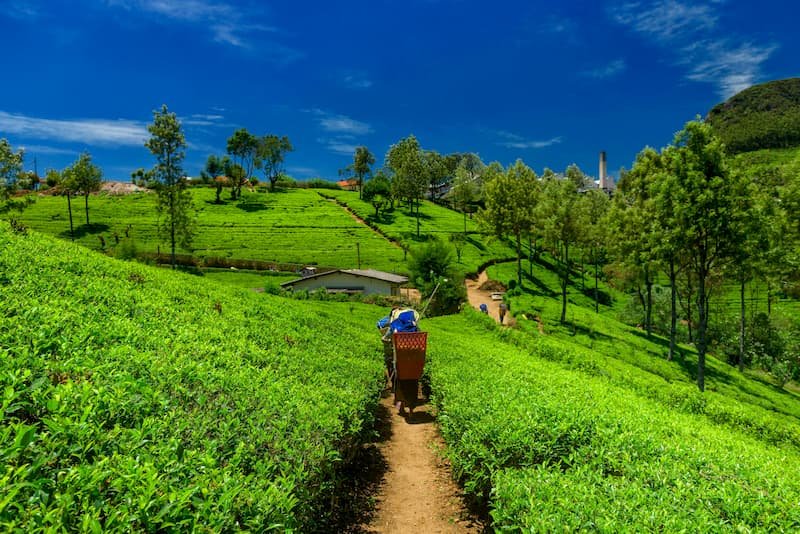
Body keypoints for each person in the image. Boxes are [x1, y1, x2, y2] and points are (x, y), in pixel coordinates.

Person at [376, 307, 421, 416]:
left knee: (399, 379)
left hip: (400, 358)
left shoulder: (395, 325)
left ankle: (400, 405)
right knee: (413, 381)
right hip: (413, 359)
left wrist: (386, 339)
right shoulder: (414, 326)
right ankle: (411, 408)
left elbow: (384, 335)